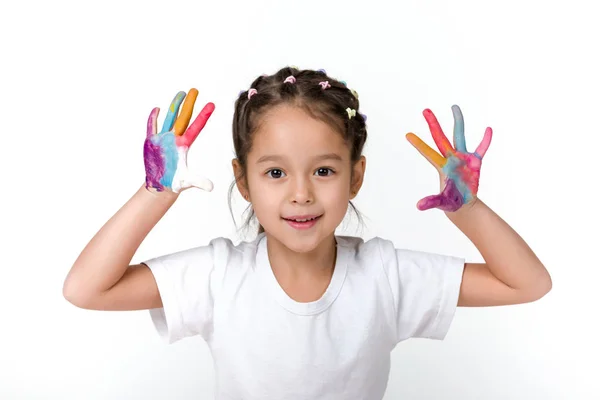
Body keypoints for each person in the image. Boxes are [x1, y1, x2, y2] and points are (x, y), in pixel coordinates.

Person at [63, 66, 552, 399]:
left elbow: (527, 283)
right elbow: (85, 289)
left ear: (355, 176)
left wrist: (467, 209)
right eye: (275, 173)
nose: (301, 194)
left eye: (323, 171)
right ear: (243, 181)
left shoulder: (386, 275)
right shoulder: (218, 276)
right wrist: (156, 191)